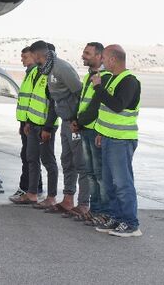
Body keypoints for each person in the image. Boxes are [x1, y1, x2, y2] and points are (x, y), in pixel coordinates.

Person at [91, 44, 143, 237]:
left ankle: (131, 223)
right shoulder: (113, 79)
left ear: (113, 59)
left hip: (121, 141)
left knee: (122, 183)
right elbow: (106, 113)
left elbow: (117, 106)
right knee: (109, 182)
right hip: (108, 138)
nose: (102, 61)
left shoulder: (129, 81)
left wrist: (98, 88)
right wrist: (101, 132)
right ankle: (116, 217)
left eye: (103, 57)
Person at [35, 42, 85, 215]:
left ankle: (83, 204)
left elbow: (80, 94)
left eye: (36, 59)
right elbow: (56, 101)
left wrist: (77, 121)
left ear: (40, 56)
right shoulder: (49, 71)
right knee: (67, 160)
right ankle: (68, 200)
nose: (35, 63)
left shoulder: (61, 68)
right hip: (65, 122)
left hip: (74, 124)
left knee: (80, 162)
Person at [13, 41, 59, 206]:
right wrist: (26, 122)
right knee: (31, 158)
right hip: (32, 124)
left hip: (45, 126)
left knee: (48, 161)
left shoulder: (52, 75)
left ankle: (51, 197)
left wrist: (48, 127)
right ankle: (32, 193)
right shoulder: (36, 73)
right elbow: (31, 99)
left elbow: (54, 105)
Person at [72, 42, 112, 225]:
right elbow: (84, 102)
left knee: (99, 174)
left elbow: (95, 107)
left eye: (87, 53)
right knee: (90, 173)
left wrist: (78, 123)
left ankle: (103, 212)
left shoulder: (103, 78)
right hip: (85, 129)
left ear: (99, 56)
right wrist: (76, 119)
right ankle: (94, 210)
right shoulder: (91, 76)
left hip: (94, 130)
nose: (83, 56)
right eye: (83, 52)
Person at [9, 46, 43, 202]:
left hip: (33, 123)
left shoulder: (36, 73)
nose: (22, 60)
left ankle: (25, 189)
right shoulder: (30, 74)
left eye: (25, 57)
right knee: (30, 157)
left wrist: (27, 123)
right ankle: (37, 188)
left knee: (28, 157)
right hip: (27, 122)